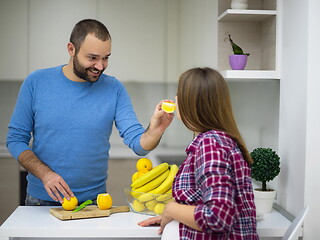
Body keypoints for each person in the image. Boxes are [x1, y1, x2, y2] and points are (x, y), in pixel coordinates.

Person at [6, 19, 173, 206]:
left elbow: (139, 144)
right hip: (40, 201)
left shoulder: (114, 88)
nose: (100, 66)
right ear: (71, 49)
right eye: (92, 58)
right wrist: (45, 174)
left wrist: (156, 129)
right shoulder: (36, 82)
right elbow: (15, 139)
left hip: (94, 203)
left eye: (106, 58)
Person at [138, 67, 258, 239]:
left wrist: (171, 208)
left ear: (191, 102)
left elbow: (218, 217)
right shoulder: (215, 140)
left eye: (179, 94)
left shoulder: (211, 145)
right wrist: (176, 216)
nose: (175, 100)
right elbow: (203, 201)